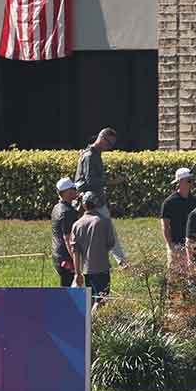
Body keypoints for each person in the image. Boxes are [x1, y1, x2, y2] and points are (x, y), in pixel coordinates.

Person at [74, 127, 126, 264]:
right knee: (108, 230)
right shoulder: (90, 155)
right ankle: (121, 262)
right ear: (102, 138)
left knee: (95, 232)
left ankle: (115, 261)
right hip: (91, 200)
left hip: (92, 199)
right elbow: (90, 181)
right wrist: (113, 181)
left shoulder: (93, 153)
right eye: (109, 143)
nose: (110, 147)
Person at [69, 192, 115, 307]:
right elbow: (111, 243)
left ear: (83, 205)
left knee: (90, 300)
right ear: (97, 204)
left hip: (86, 270)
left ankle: (88, 318)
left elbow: (75, 251)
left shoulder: (77, 225)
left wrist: (77, 273)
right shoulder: (104, 221)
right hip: (102, 268)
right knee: (101, 300)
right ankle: (94, 318)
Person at [159, 168, 196, 274]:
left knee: (192, 275)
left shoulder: (195, 201)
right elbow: (165, 226)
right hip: (177, 244)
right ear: (180, 182)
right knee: (175, 276)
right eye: (189, 180)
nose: (191, 183)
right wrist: (171, 246)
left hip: (192, 245)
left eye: (192, 180)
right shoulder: (169, 202)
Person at [50, 178, 83, 287]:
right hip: (66, 258)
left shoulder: (57, 207)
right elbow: (68, 239)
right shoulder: (66, 212)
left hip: (57, 255)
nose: (76, 190)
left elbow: (75, 217)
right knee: (69, 291)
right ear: (66, 192)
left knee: (67, 288)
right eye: (73, 188)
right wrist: (76, 263)